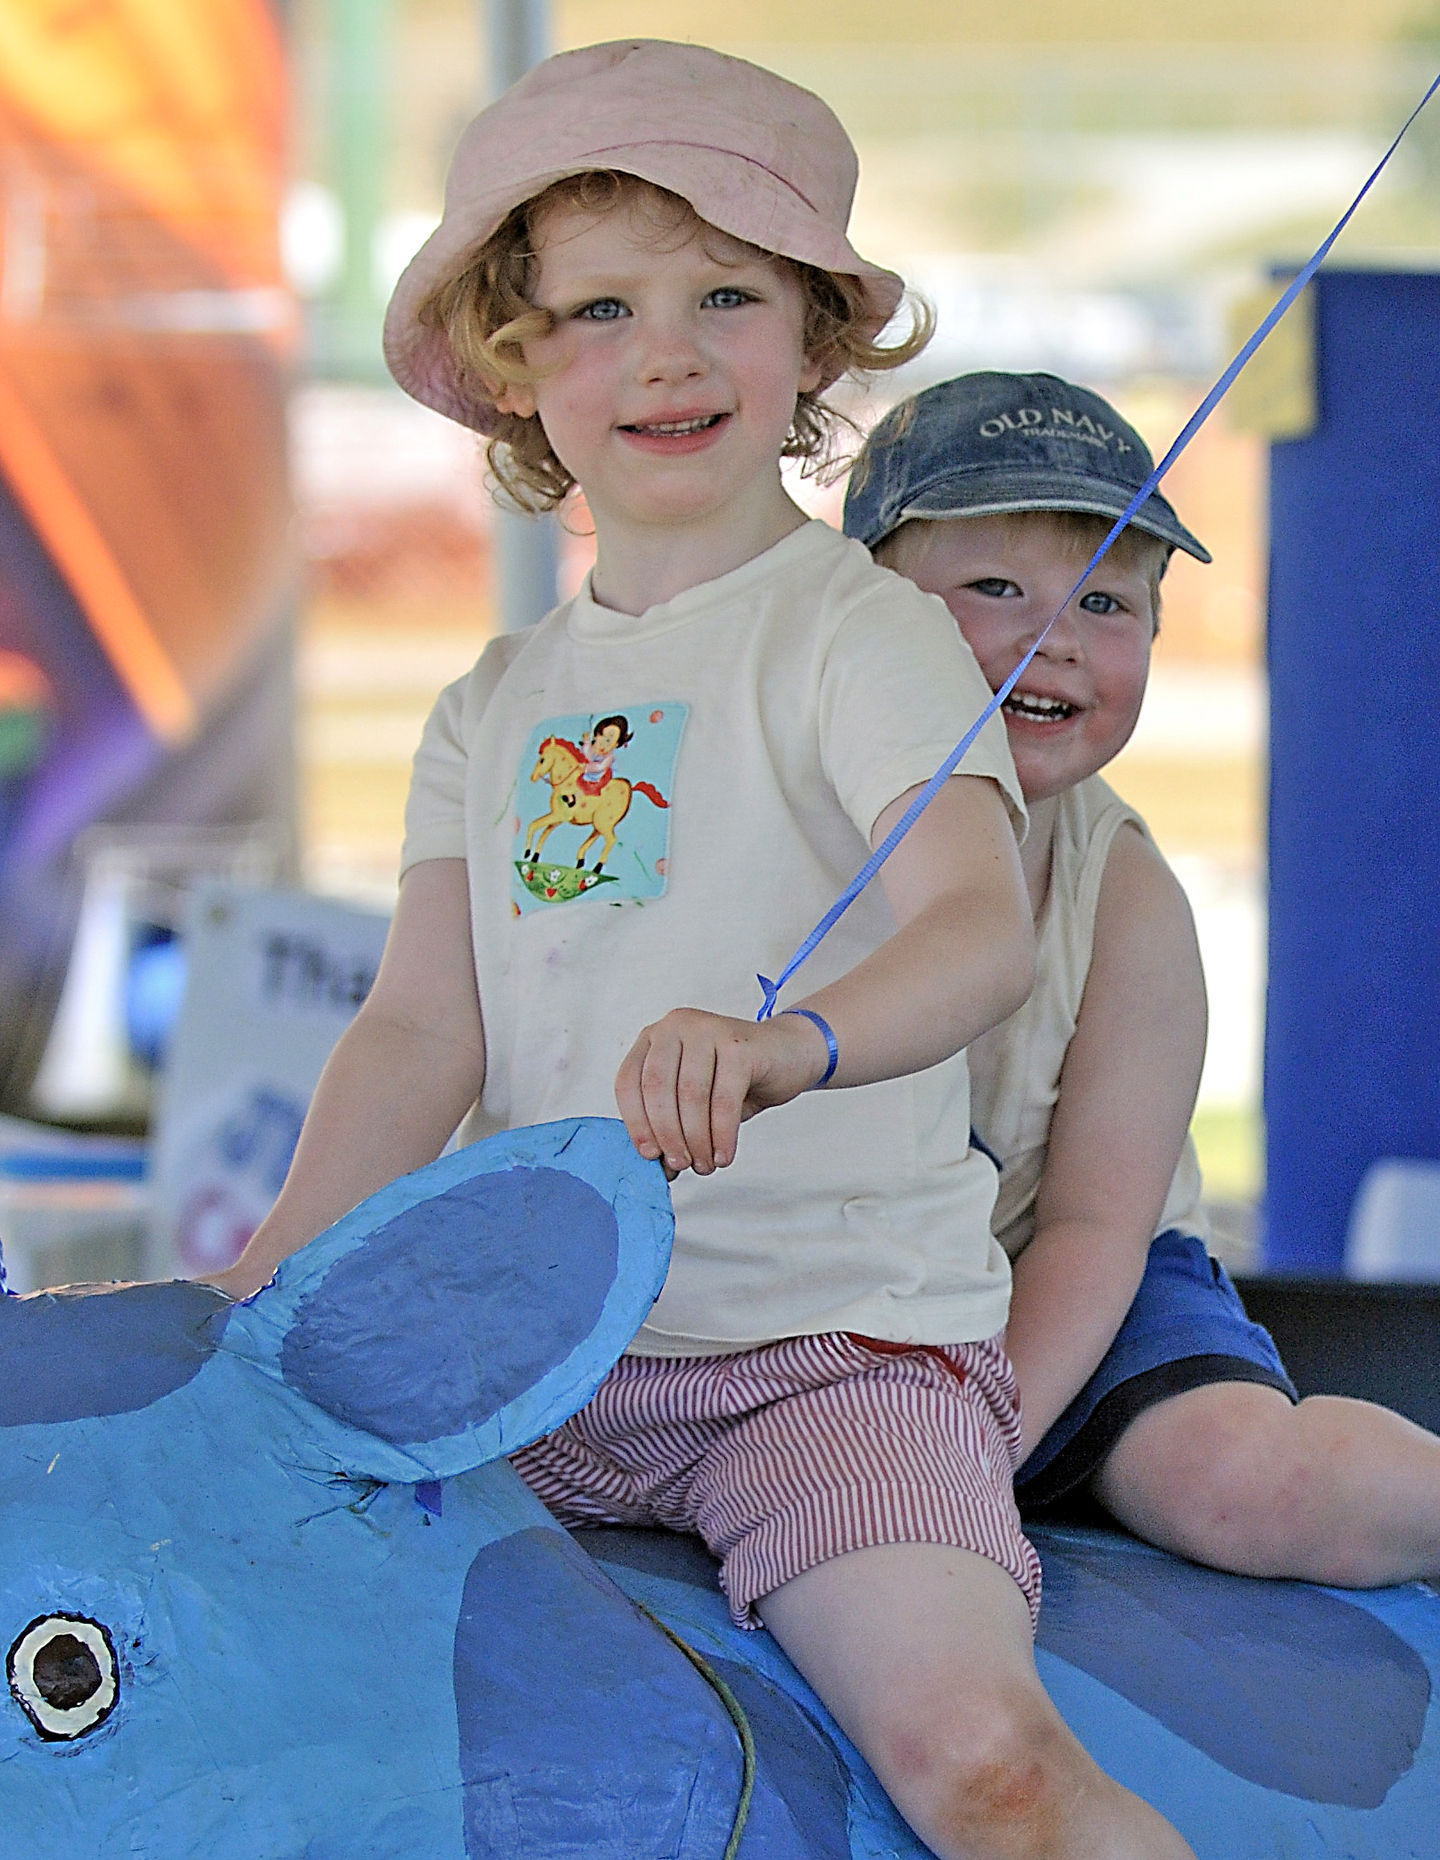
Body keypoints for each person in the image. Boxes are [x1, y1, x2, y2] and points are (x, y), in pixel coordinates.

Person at [212, 46, 1193, 1860]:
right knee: (265, 1673)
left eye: (726, 297)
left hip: (832, 1357)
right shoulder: (490, 700)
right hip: (539, 1346)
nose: (665, 356)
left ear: (815, 338)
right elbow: (419, 1032)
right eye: (601, 311)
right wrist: (255, 1297)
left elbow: (975, 929)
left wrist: (788, 1043)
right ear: (517, 367)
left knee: (985, 1767)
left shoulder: (866, 636)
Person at [846, 369, 1440, 1588]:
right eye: (995, 588)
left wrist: (975, 1450)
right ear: (852, 613)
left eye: (1108, 601)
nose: (1055, 637)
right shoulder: (778, 822)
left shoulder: (1124, 896)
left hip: (1075, 1288)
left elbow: (1094, 1225)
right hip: (830, 1288)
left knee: (1247, 1482)